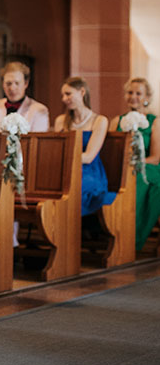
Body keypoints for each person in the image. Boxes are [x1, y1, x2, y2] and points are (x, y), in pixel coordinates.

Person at [109, 78, 160, 249]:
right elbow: (109, 151)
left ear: (147, 97)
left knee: (136, 178)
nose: (134, 97)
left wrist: (135, 162)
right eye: (130, 92)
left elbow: (155, 157)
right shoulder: (117, 121)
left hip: (147, 167)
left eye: (138, 93)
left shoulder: (154, 122)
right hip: (120, 166)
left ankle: (130, 238)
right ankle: (109, 229)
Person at [54, 77, 115, 216]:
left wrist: (65, 159)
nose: (64, 99)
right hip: (64, 169)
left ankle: (71, 227)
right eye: (63, 95)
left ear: (82, 92)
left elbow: (88, 157)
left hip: (89, 172)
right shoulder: (60, 121)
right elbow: (57, 151)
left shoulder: (99, 121)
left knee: (73, 187)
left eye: (68, 94)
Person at [0, 61, 49, 132]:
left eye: (17, 83)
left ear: (26, 84)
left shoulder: (39, 110)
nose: (12, 88)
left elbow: (38, 140)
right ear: (3, 84)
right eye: (8, 83)